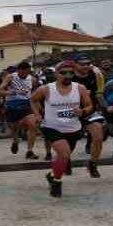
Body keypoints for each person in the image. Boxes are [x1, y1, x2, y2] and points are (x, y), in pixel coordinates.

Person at [31, 60, 93, 197]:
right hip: (52, 127)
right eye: (63, 73)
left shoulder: (80, 88)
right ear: (56, 74)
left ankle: (52, 175)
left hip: (73, 128)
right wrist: (37, 114)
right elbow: (33, 100)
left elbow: (89, 105)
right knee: (64, 154)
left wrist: (83, 111)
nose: (67, 75)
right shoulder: (46, 89)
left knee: (63, 157)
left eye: (70, 73)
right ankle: (57, 183)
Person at [72, 53, 105, 178]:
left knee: (98, 136)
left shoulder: (93, 74)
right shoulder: (68, 76)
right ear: (75, 64)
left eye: (87, 63)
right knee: (69, 143)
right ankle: (66, 160)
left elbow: (97, 94)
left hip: (88, 110)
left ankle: (92, 164)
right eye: (82, 64)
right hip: (71, 111)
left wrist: (103, 108)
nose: (86, 66)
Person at [0, 61, 39, 159]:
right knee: (15, 128)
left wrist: (37, 108)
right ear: (18, 70)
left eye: (26, 73)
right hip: (12, 105)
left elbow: (35, 94)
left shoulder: (32, 79)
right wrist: (12, 92)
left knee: (32, 125)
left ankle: (30, 151)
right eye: (22, 73)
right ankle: (15, 140)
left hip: (26, 104)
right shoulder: (10, 77)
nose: (24, 75)